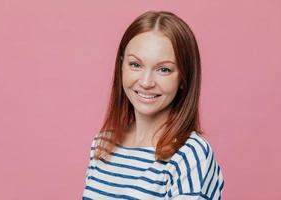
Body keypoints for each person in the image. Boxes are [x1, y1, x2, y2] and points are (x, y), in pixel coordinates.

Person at [82, 10, 224, 200]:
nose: (146, 82)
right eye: (136, 65)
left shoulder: (190, 154)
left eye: (164, 69)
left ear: (183, 78)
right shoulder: (103, 143)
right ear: (121, 66)